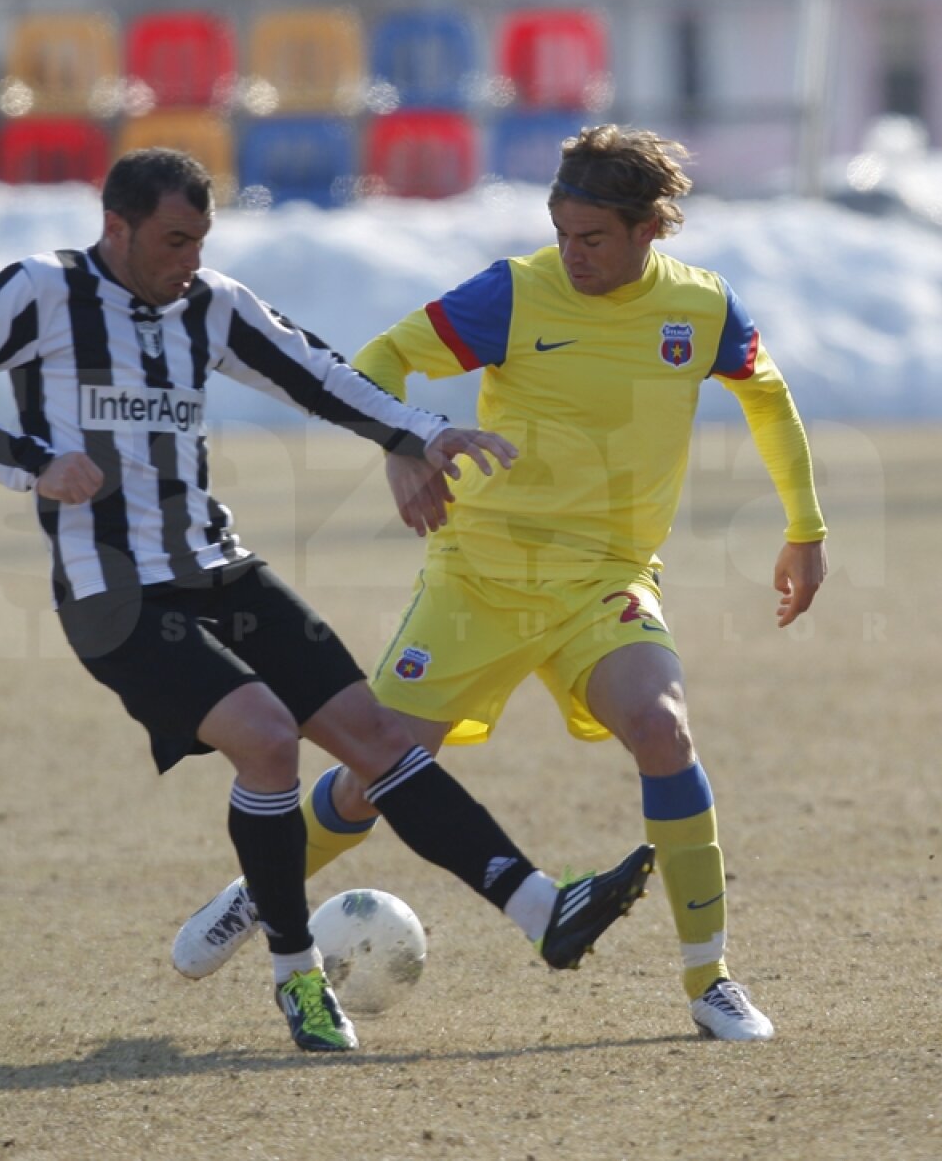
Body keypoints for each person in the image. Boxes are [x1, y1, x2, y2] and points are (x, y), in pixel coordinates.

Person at [0, 147, 655, 1055]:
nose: (187, 260)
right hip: (113, 592)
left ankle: (541, 909)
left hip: (219, 566)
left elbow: (316, 373)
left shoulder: (210, 302)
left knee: (379, 739)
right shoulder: (39, 290)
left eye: (199, 241)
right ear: (116, 228)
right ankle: (299, 977)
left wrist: (423, 432)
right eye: (172, 241)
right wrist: (34, 463)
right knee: (265, 737)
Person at [173, 126, 829, 1043]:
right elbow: (380, 360)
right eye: (562, 232)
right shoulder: (513, 294)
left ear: (649, 231)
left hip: (604, 581)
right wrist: (405, 447)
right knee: (377, 774)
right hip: (478, 577)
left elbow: (767, 393)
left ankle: (710, 979)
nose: (573, 253)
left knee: (662, 729)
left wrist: (805, 529)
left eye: (593, 237)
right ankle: (255, 895)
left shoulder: (701, 307)